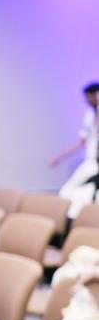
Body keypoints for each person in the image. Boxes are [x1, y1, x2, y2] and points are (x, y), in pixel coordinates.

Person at [50, 82, 99, 218]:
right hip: (92, 162)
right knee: (67, 192)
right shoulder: (90, 115)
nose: (88, 100)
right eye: (87, 98)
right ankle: (70, 223)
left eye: (91, 97)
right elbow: (82, 142)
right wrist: (59, 158)